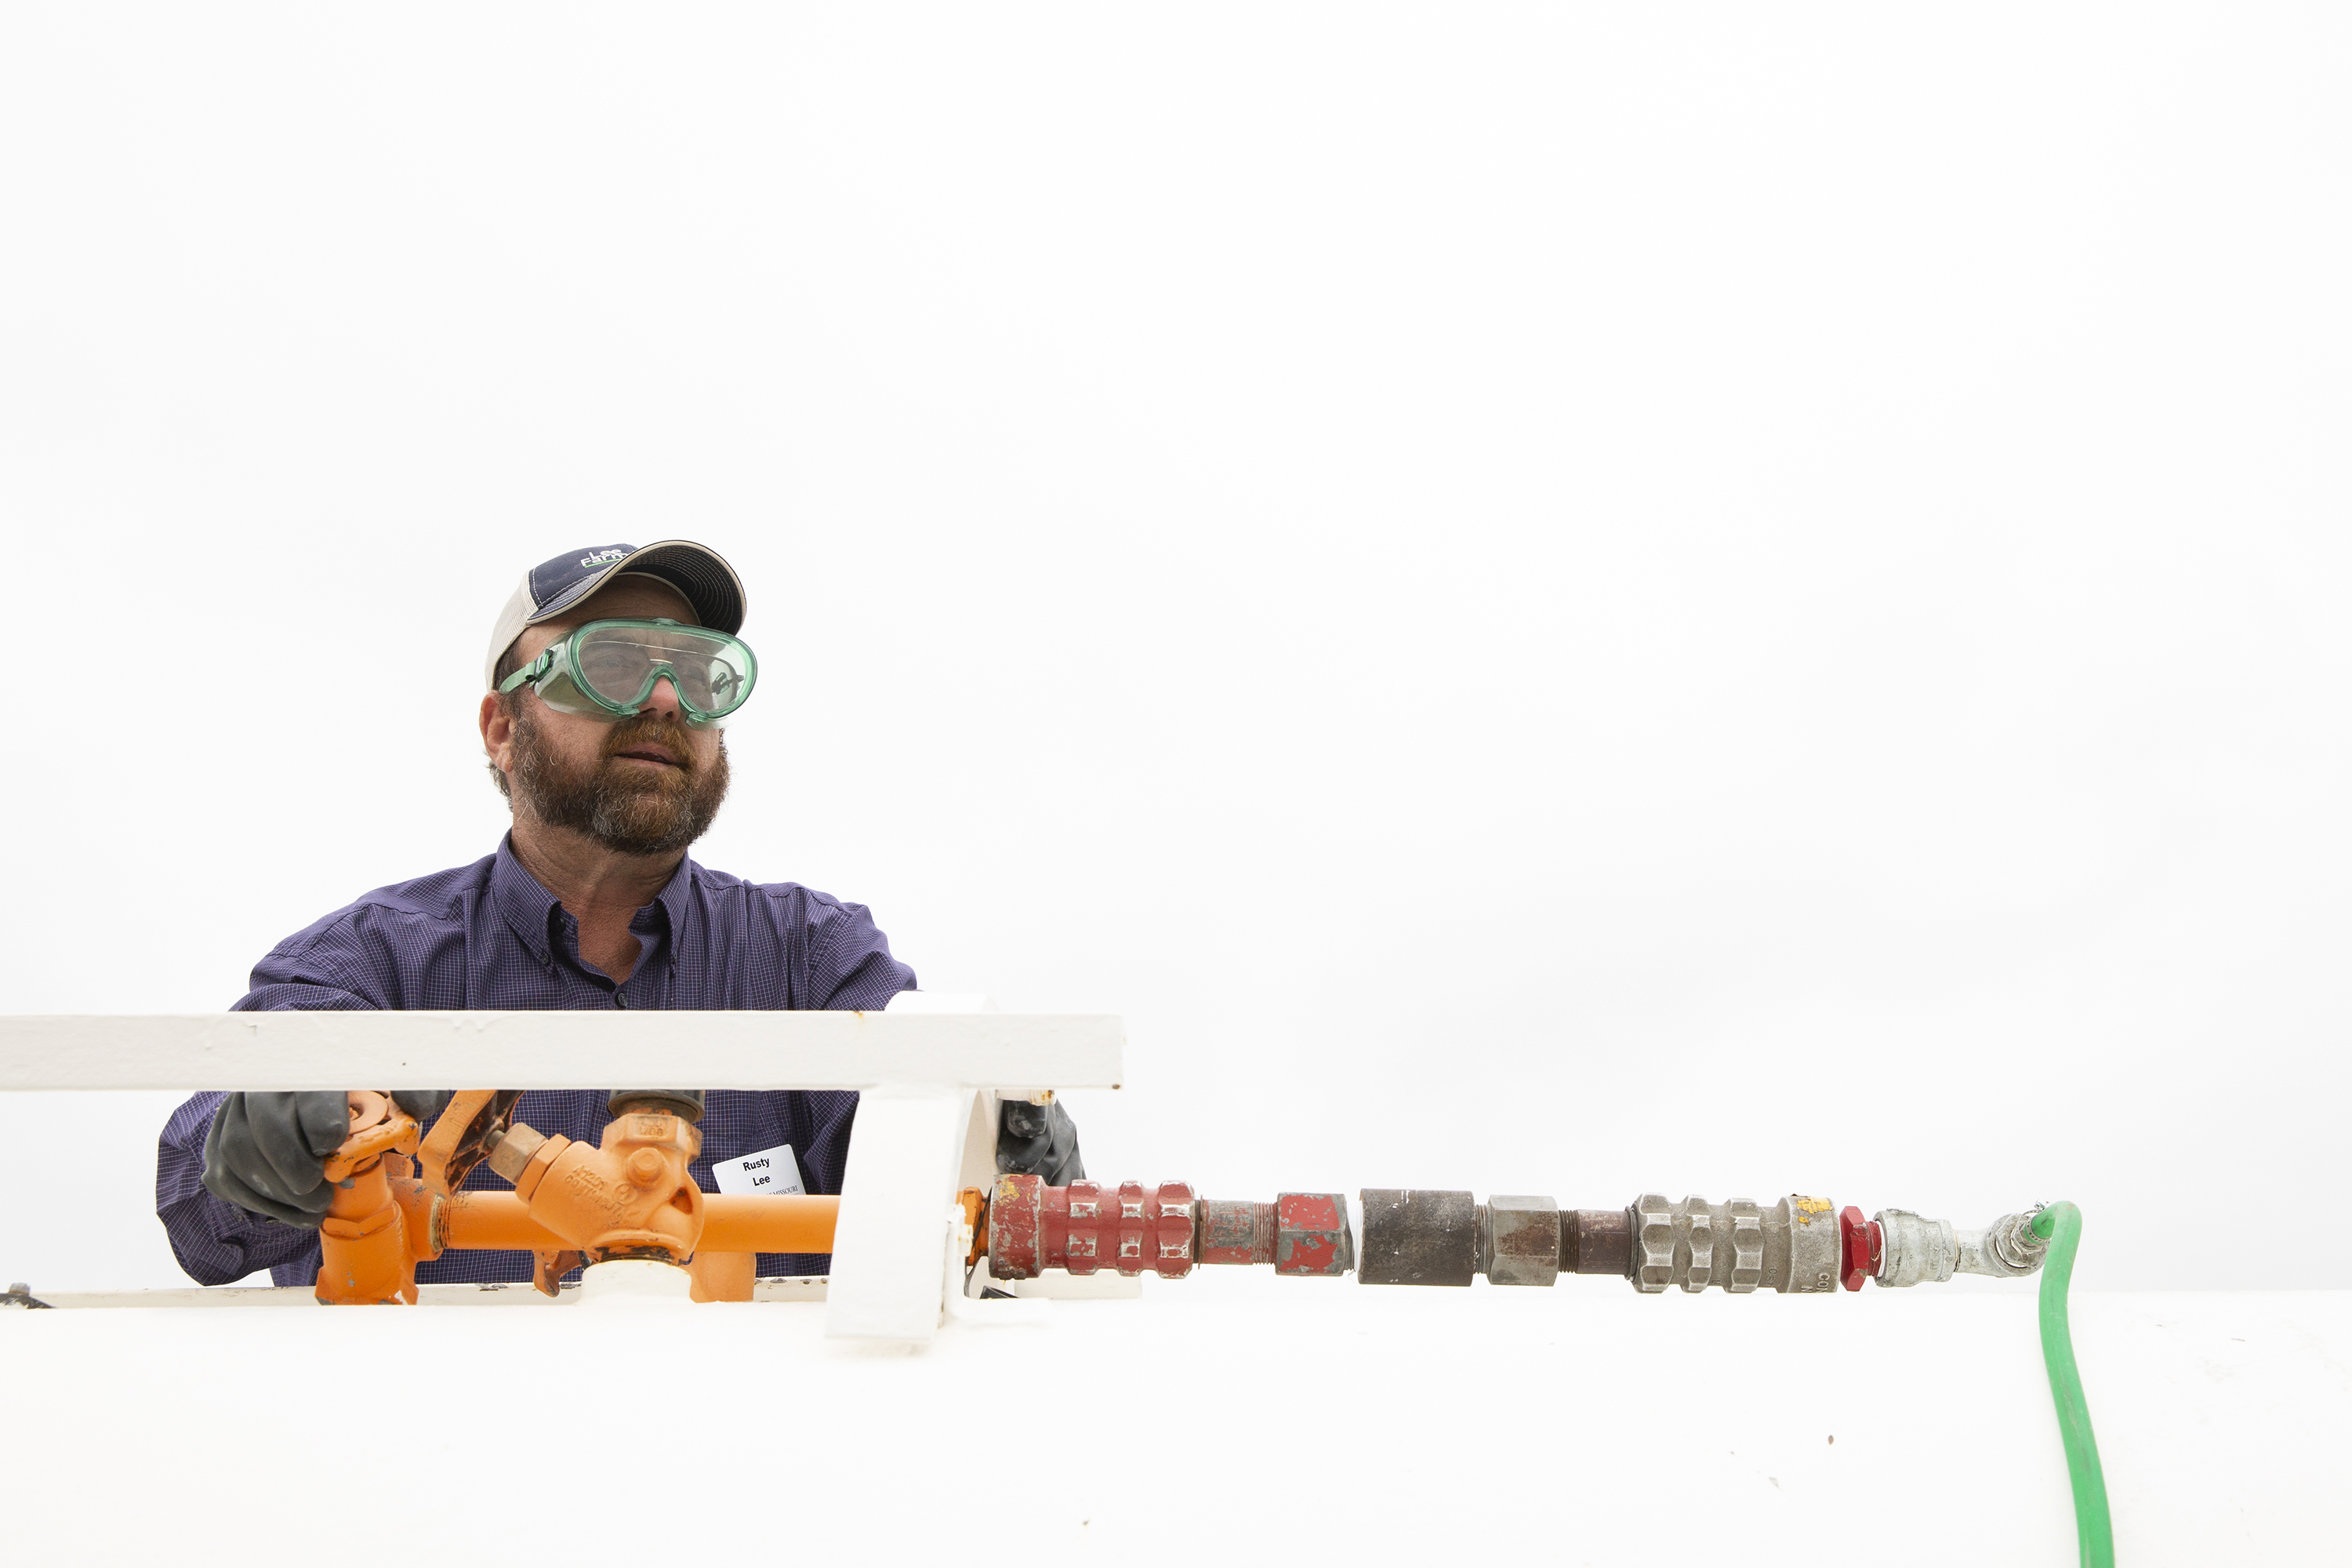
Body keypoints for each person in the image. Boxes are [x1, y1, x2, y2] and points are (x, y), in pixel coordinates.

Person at [154, 539, 1081, 1288]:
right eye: (614, 663)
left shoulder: (810, 957)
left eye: (699, 673)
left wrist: (1004, 1129)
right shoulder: (374, 959)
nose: (668, 699)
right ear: (502, 725)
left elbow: (955, 1183)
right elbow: (202, 1210)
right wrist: (295, 1119)